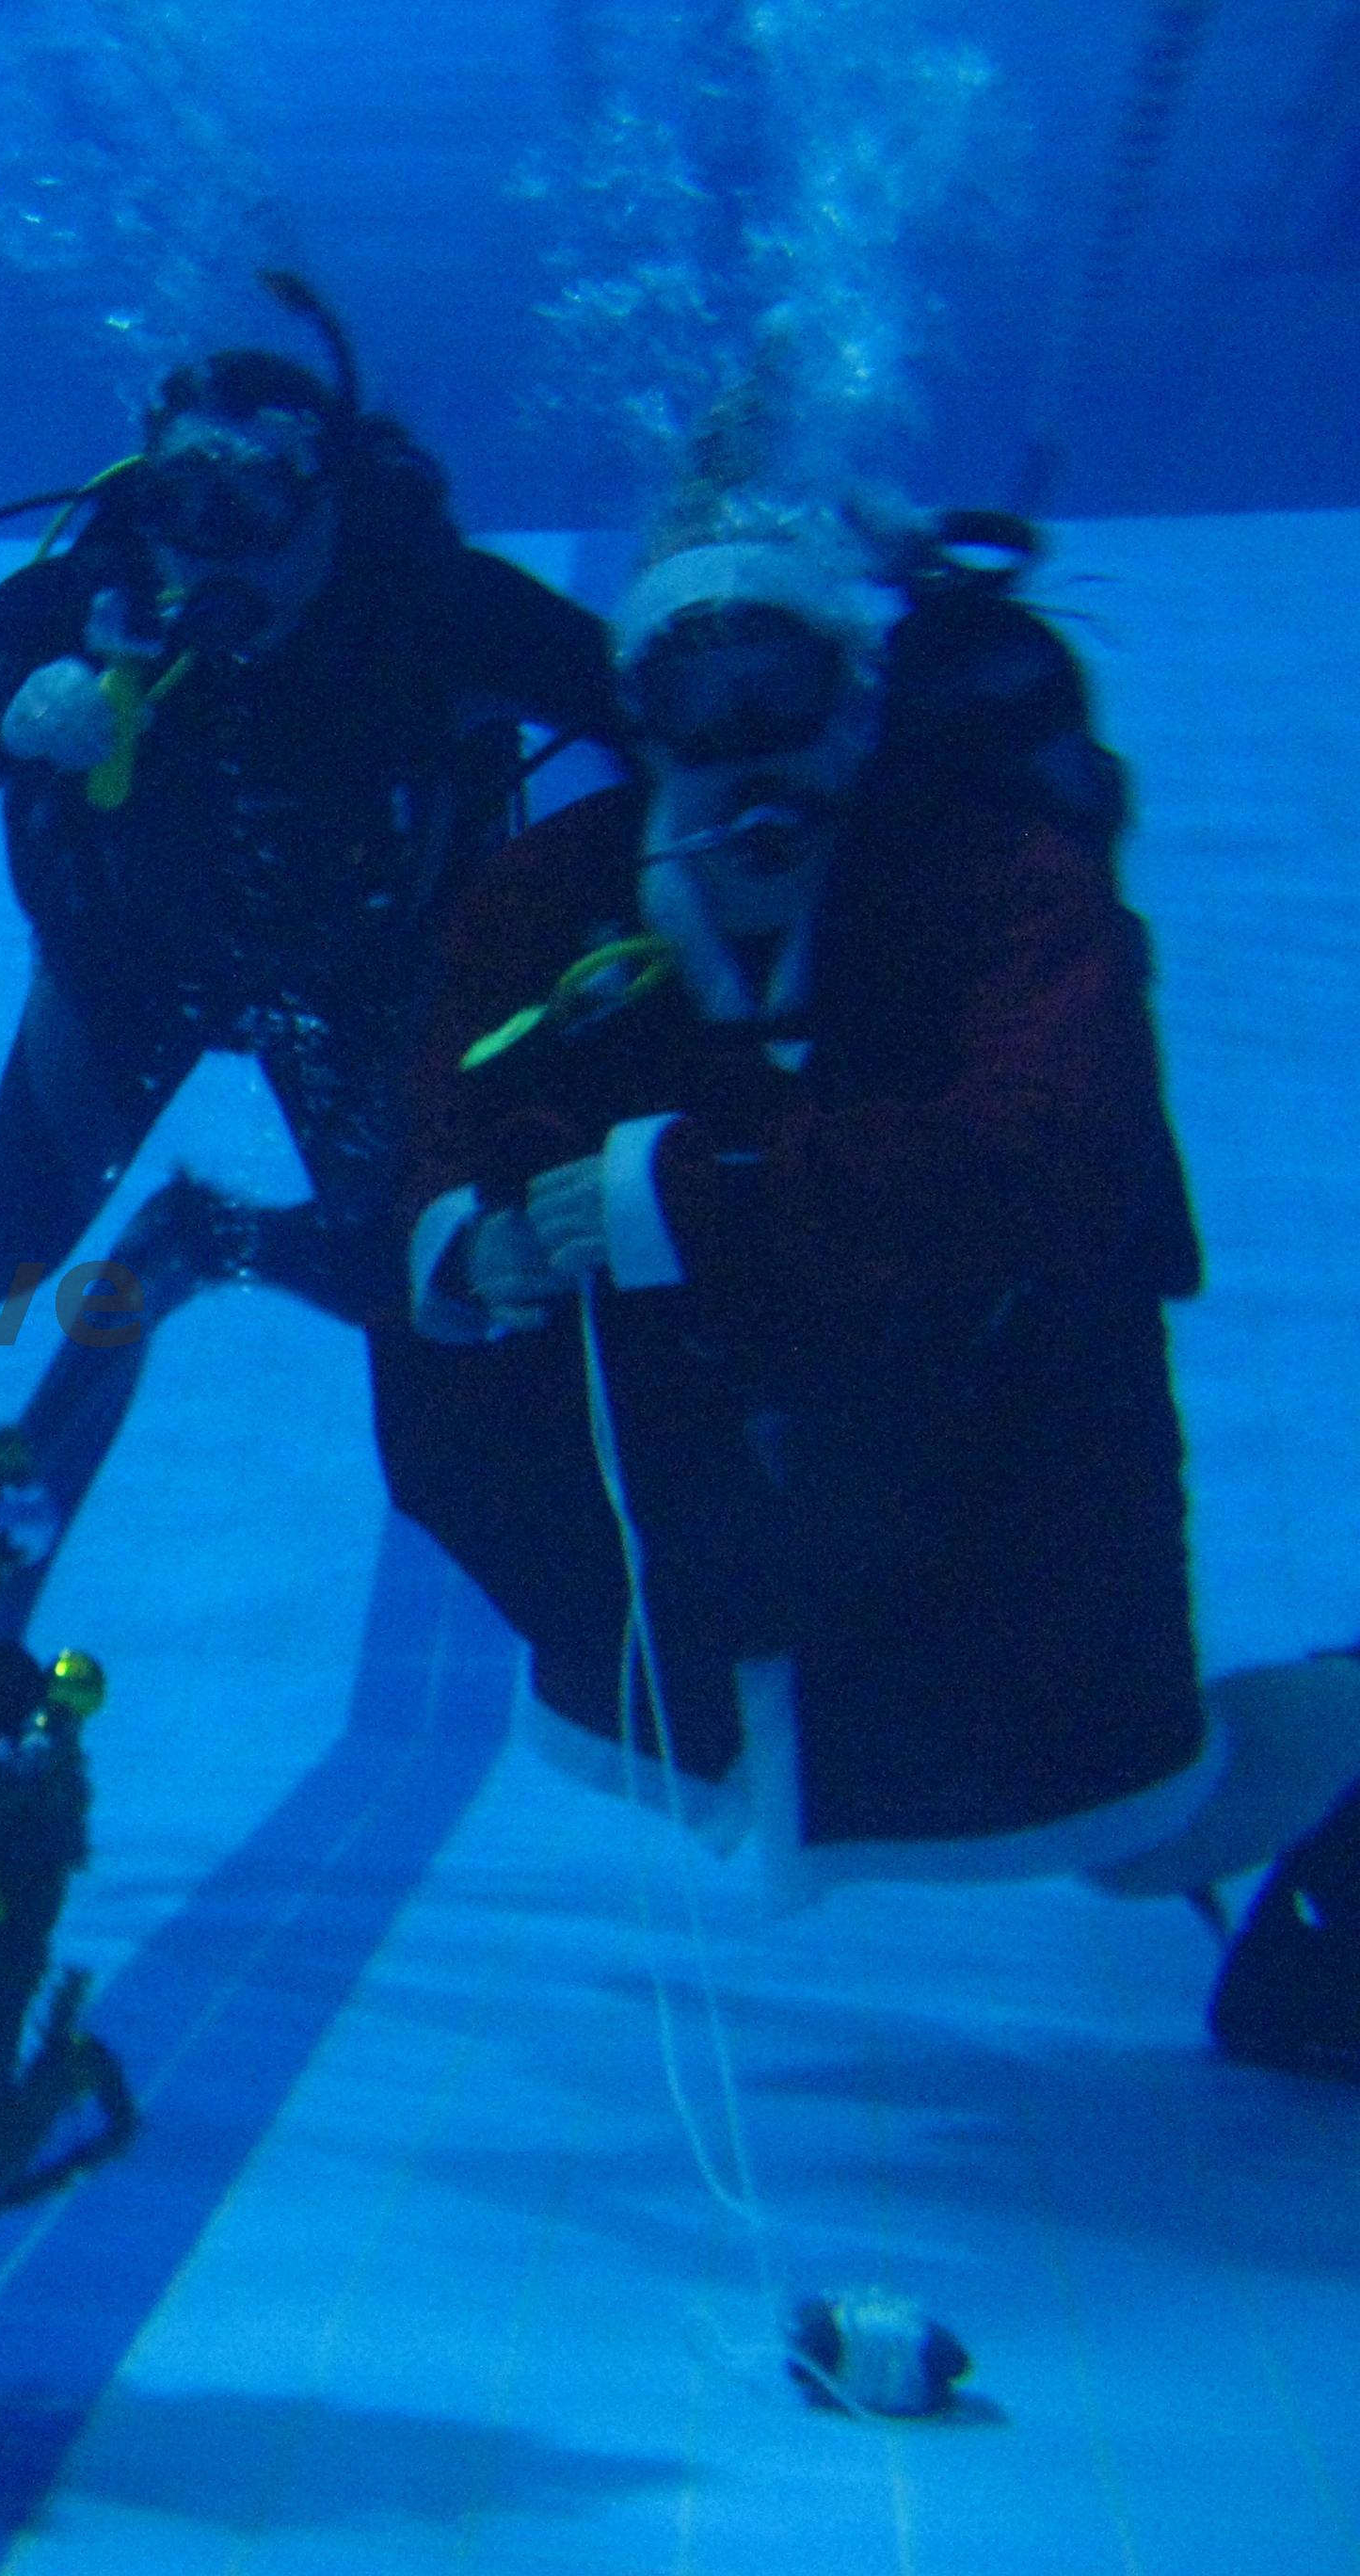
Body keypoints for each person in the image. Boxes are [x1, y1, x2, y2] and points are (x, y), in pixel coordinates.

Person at [375, 509, 1360, 2075]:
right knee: (795, 1766)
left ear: (851, 702)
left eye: (780, 693)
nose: (742, 749)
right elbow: (444, 1107)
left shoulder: (998, 880)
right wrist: (462, 1237)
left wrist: (686, 1196)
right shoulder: (553, 889)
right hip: (747, 1493)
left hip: (1003, 1445)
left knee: (1132, 1823)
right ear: (638, 721)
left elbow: (1053, 1157)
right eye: (694, 707)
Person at [0, 277, 617, 1331]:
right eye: (181, 502)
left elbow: (649, 710)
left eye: (254, 505)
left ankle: (214, 1239)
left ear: (332, 499)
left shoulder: (432, 607)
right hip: (120, 970)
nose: (211, 545)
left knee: (418, 1268)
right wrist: (7, 720)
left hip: (368, 981)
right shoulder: (84, 602)